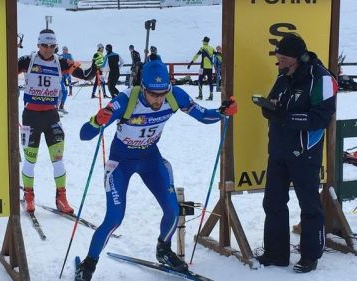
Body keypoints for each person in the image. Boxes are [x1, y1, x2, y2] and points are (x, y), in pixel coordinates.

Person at [74, 57, 238, 281]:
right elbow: (85, 135)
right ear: (143, 88)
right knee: (114, 218)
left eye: (162, 94)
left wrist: (222, 111)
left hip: (151, 158)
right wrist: (96, 121)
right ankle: (88, 264)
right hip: (121, 163)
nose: (159, 100)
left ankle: (164, 249)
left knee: (172, 210)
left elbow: (203, 116)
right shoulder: (125, 101)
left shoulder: (175, 96)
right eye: (153, 94)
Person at [253, 33, 337, 273]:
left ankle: (311, 256)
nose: (278, 64)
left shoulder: (321, 79)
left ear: (297, 58)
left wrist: (287, 117)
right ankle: (276, 253)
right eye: (277, 59)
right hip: (279, 150)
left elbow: (322, 118)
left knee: (309, 205)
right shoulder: (284, 75)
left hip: (304, 151)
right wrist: (269, 108)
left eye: (283, 59)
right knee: (273, 202)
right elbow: (273, 101)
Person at [18, 29, 96, 214]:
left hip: (52, 116)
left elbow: (86, 75)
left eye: (51, 46)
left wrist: (96, 64)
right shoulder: (27, 61)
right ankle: (29, 194)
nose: (47, 49)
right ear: (38, 45)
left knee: (58, 160)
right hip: (31, 116)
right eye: (44, 45)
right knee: (30, 160)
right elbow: (3, 72)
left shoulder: (61, 62)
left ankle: (61, 197)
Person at [187, 36, 215, 100]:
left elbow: (196, 56)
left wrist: (191, 63)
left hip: (202, 67)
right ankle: (211, 96)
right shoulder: (212, 48)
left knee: (200, 81)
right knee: (210, 82)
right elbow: (218, 55)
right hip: (210, 68)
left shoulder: (202, 48)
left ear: (204, 42)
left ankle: (200, 95)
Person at [59, 46, 74, 113]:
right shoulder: (61, 56)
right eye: (64, 50)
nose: (65, 51)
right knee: (63, 89)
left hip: (68, 72)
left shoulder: (69, 55)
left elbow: (72, 61)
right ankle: (59, 107)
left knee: (69, 81)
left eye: (66, 50)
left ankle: (71, 91)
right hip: (62, 74)